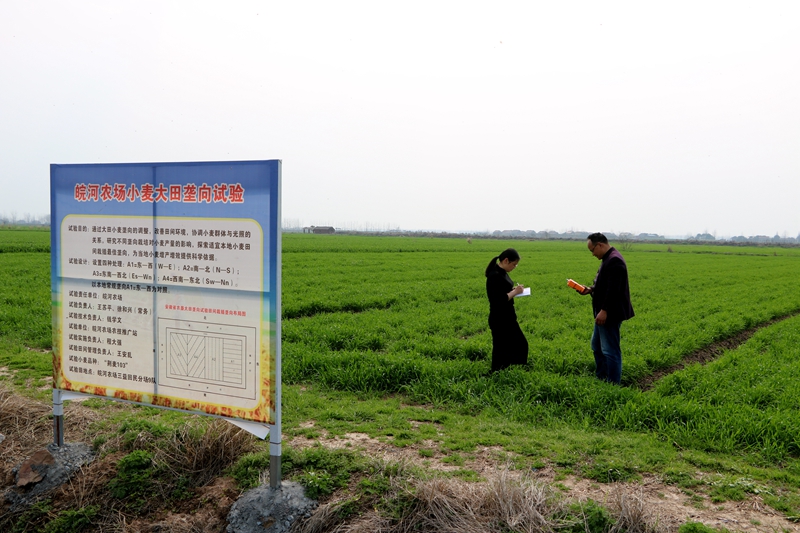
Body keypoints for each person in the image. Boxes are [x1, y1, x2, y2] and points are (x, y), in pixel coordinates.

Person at [577, 233, 634, 384]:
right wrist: (590, 289)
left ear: (600, 245)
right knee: (596, 346)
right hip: (603, 311)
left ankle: (613, 384)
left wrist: (604, 311)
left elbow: (614, 291)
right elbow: (605, 284)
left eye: (592, 250)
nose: (592, 254)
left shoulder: (614, 260)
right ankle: (601, 377)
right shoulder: (608, 258)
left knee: (610, 350)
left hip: (610, 313)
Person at [485, 248, 529, 372]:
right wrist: (515, 292)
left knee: (516, 343)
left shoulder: (502, 272)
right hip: (499, 317)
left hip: (507, 316)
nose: (514, 267)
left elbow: (503, 291)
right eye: (514, 264)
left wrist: (514, 290)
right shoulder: (494, 275)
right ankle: (496, 371)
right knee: (501, 347)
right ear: (506, 260)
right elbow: (499, 300)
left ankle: (507, 369)